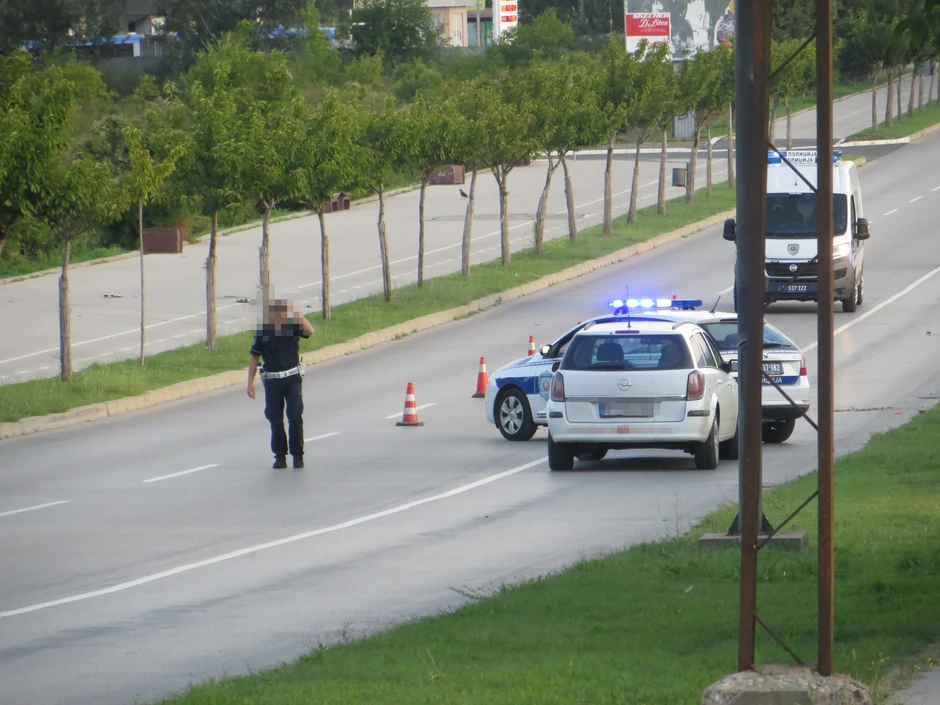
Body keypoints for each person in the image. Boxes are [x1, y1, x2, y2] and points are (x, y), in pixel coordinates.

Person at [247, 299, 315, 469]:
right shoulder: (263, 332)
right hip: (272, 380)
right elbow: (254, 358)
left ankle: (297, 455)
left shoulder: (292, 326)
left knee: (294, 415)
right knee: (275, 418)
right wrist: (250, 384)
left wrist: (298, 315)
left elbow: (310, 331)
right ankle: (280, 456)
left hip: (292, 378)